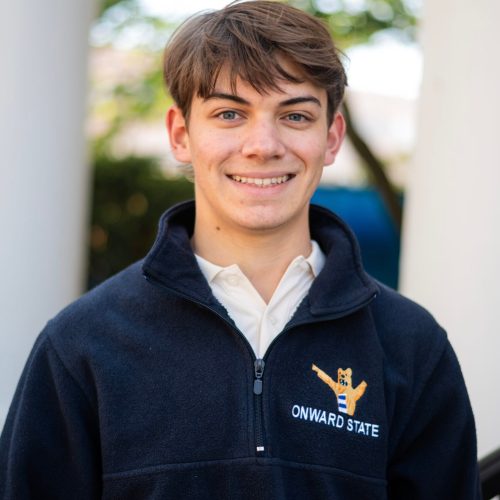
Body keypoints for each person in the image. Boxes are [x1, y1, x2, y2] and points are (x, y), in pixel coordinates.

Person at [0, 1, 481, 498]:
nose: (262, 145)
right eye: (229, 114)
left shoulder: (411, 345)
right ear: (181, 135)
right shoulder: (83, 343)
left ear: (331, 138)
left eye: (295, 115)